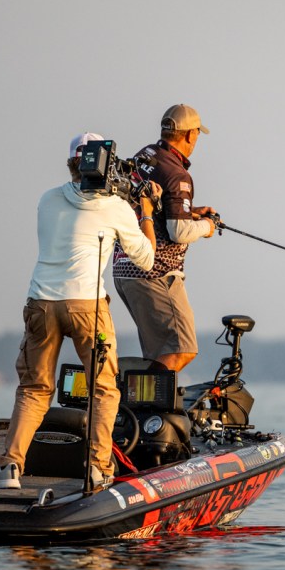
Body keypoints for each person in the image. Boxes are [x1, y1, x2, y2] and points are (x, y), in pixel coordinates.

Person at [0, 132, 158, 490]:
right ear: (107, 168)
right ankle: (97, 468)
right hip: (88, 307)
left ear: (72, 165)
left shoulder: (48, 199)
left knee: (34, 389)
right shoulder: (116, 208)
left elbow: (79, 210)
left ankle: (10, 468)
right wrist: (144, 211)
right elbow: (146, 258)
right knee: (103, 390)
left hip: (41, 304)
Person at [113, 103, 217, 373]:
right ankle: (139, 395)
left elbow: (148, 204)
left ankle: (134, 397)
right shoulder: (178, 174)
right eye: (197, 134)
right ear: (190, 135)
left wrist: (189, 211)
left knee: (159, 353)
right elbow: (178, 232)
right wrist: (206, 226)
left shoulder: (145, 156)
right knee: (182, 349)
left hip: (124, 271)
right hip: (156, 274)